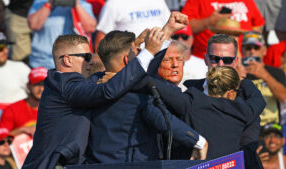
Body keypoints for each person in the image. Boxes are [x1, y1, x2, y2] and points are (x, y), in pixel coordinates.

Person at [23, 11, 188, 168]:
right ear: (67, 60)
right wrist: (149, 51)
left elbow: (123, 74)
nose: (91, 61)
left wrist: (165, 32)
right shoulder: (65, 84)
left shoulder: (78, 83)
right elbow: (109, 90)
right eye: (86, 57)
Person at [86, 29, 208, 163]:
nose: (139, 56)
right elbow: (164, 121)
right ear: (128, 60)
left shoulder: (90, 87)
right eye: (137, 53)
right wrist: (199, 141)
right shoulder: (137, 95)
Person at [182, 34, 265, 168]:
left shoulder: (246, 97)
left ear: (236, 61)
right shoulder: (189, 90)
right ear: (205, 59)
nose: (220, 65)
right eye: (215, 58)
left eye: (227, 60)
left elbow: (247, 146)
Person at [181, 0, 265, 60]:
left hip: (241, 61)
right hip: (208, 61)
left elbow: (257, 28)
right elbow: (183, 26)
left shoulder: (248, 1)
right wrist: (210, 21)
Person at [28, 0, 97, 69]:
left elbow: (90, 28)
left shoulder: (82, 4)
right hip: (42, 62)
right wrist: (50, 3)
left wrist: (76, 5)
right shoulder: (40, 2)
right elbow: (34, 25)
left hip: (70, 62)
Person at [241, 31, 286, 126]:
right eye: (248, 48)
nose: (252, 51)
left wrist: (265, 76)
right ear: (242, 50)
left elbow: (284, 97)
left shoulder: (276, 72)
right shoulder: (237, 73)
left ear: (265, 50)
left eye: (256, 47)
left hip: (272, 127)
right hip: (247, 127)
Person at [0, 31, 30, 126]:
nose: (5, 51)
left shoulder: (20, 68)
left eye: (7, 47)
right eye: (0, 48)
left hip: (20, 125)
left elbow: (39, 95)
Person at [94, 0, 171, 51]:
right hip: (131, 63)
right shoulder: (113, 3)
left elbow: (169, 26)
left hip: (162, 57)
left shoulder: (158, 1)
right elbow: (101, 39)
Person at [0, 67, 47, 137]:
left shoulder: (57, 109)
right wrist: (22, 130)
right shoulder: (12, 110)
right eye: (37, 84)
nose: (41, 89)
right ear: (28, 86)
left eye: (45, 85)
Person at [170, 26, 207, 91]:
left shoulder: (204, 64)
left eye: (184, 37)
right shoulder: (162, 64)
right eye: (175, 37)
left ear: (192, 39)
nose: (180, 40)